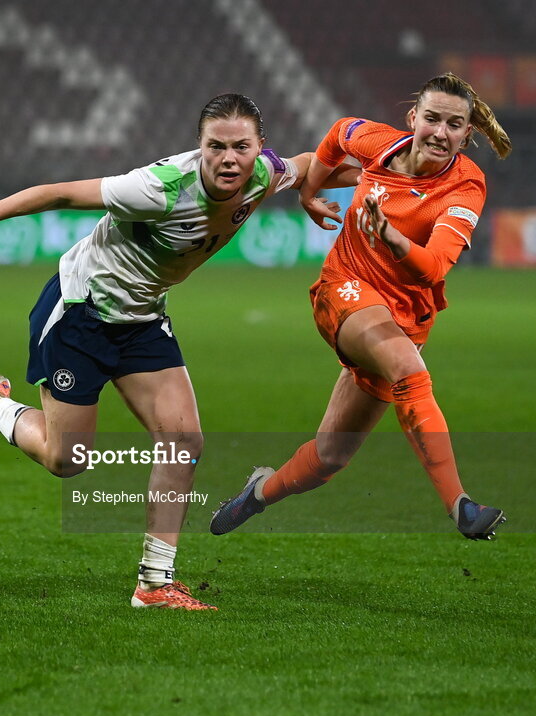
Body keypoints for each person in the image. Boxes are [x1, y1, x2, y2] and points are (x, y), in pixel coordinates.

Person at [0, 94, 358, 610]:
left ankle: (154, 584)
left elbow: (313, 164)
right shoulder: (159, 189)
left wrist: (362, 182)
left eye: (241, 146)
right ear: (199, 148)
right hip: (80, 314)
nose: (228, 159)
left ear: (259, 148)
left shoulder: (264, 173)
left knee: (184, 442)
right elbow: (60, 194)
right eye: (215, 147)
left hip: (142, 320)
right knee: (68, 461)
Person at [210, 72, 513, 540]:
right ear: (414, 118)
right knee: (408, 370)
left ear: (467, 134)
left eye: (454, 125)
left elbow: (432, 268)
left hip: (403, 318)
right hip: (343, 289)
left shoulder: (465, 188)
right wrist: (310, 193)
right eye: (432, 119)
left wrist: (392, 238)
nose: (440, 132)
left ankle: (259, 492)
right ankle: (461, 507)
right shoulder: (378, 143)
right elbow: (337, 133)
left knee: (330, 457)